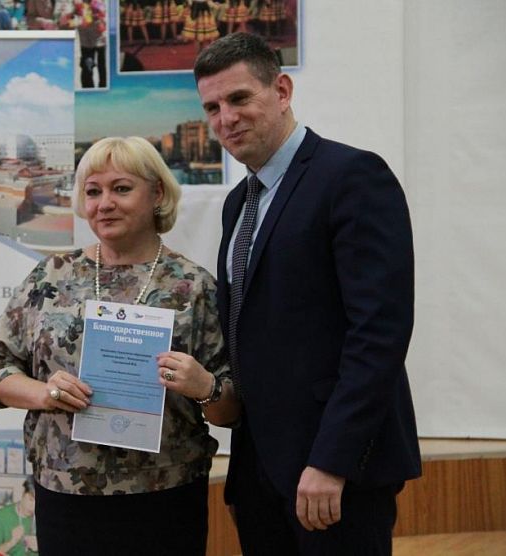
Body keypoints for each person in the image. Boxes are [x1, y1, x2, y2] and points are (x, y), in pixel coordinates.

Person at [193, 32, 421, 555]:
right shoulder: (238, 202)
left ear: (282, 90)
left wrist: (332, 460)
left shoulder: (352, 176)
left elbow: (379, 333)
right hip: (260, 471)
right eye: (212, 107)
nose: (226, 118)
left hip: (333, 470)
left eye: (239, 98)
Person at [0, 136, 240, 556]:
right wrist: (45, 394)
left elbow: (232, 411)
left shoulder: (194, 287)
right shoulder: (52, 276)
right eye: (93, 191)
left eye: (121, 188)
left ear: (157, 193)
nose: (105, 204)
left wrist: (204, 386)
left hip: (166, 495)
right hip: (66, 492)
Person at [0, 476, 38, 555]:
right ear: (23, 492)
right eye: (31, 499)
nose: (33, 507)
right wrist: (12, 542)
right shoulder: (0, 517)